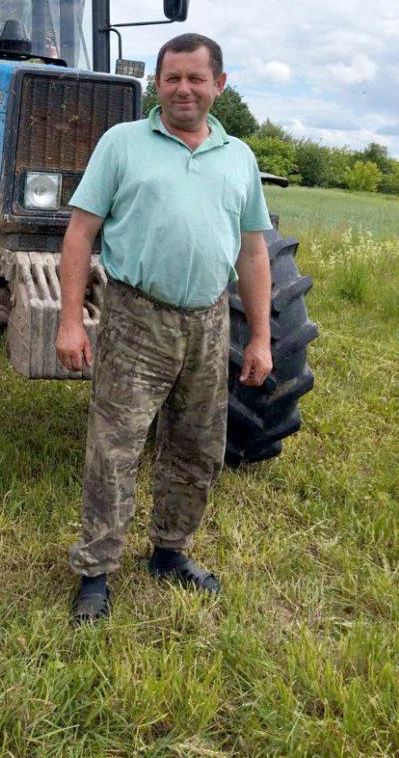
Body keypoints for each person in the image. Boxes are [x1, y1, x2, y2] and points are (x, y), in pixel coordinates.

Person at [56, 32, 273, 625]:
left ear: (218, 86)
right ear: (157, 83)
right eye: (172, 77)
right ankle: (96, 572)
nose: (184, 89)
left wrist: (258, 337)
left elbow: (253, 253)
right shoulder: (122, 143)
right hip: (136, 318)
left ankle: (171, 552)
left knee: (197, 446)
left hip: (207, 322)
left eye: (196, 78)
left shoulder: (240, 158)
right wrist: (70, 321)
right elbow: (79, 234)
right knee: (116, 448)